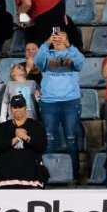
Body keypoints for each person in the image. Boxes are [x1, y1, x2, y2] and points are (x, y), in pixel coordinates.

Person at [35, 29, 84, 178]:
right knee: (49, 138)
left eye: (61, 38)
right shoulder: (47, 55)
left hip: (70, 101)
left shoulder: (73, 53)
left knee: (71, 138)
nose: (58, 40)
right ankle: (47, 176)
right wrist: (46, 43)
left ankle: (73, 174)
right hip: (49, 102)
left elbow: (81, 63)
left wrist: (69, 45)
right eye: (56, 38)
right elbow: (37, 62)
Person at [0, 94, 46, 188]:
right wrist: (15, 139)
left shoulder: (36, 125)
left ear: (25, 108)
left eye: (20, 107)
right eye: (15, 107)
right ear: (11, 109)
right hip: (6, 178)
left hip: (30, 177)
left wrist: (26, 137)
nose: (17, 110)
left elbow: (41, 147)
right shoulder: (3, 126)